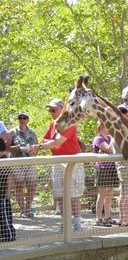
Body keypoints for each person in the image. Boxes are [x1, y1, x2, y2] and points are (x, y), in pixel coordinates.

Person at [28, 99, 85, 232]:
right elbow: (46, 139)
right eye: (50, 110)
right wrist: (45, 143)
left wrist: (41, 146)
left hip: (72, 162)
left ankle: (77, 225)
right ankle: (65, 223)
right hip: (57, 161)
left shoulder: (69, 123)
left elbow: (56, 142)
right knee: (59, 195)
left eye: (53, 110)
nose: (51, 112)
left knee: (73, 194)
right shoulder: (53, 124)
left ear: (62, 109)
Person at [9, 111, 39, 217]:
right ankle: (22, 210)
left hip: (30, 161)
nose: (22, 120)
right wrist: (18, 147)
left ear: (28, 120)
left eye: (24, 118)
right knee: (19, 185)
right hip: (17, 162)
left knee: (31, 185)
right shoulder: (12, 132)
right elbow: (7, 148)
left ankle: (28, 208)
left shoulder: (32, 133)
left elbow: (37, 147)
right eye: (20, 118)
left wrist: (32, 149)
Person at [92, 122, 119, 226]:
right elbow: (109, 149)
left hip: (112, 168)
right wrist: (113, 139)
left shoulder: (109, 137)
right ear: (101, 127)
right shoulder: (98, 138)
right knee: (102, 194)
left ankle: (108, 217)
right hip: (102, 169)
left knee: (109, 194)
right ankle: (98, 219)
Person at [0, 137, 16, 242]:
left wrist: (8, 192)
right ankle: (2, 234)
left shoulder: (5, 159)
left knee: (4, 214)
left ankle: (9, 234)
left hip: (3, 193)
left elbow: (9, 177)